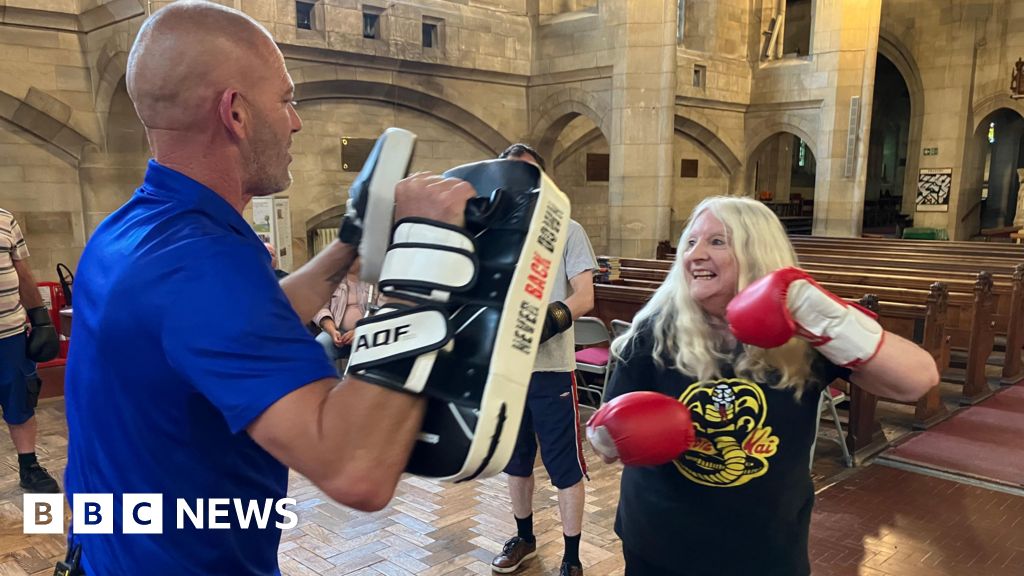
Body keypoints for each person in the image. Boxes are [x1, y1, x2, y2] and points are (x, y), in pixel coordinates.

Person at [63, 2, 476, 574]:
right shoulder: (204, 263)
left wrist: (354, 241)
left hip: (109, 552)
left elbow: (243, 321)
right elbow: (357, 470)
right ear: (235, 113)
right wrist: (427, 260)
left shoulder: (132, 228)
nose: (296, 121)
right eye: (286, 100)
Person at [601, 195, 939, 576]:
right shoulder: (657, 329)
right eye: (691, 242)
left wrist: (830, 321)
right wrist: (613, 436)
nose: (695, 254)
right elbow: (607, 431)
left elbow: (917, 382)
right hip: (659, 541)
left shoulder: (803, 334)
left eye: (717, 241)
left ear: (756, 252)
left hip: (764, 547)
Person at [491, 144, 596, 576]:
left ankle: (571, 558)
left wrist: (546, 321)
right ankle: (525, 538)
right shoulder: (493, 235)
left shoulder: (568, 230)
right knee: (515, 462)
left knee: (564, 466)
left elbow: (586, 296)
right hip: (505, 372)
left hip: (551, 368)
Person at [0, 207, 60, 493]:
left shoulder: (5, 219)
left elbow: (21, 272)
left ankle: (29, 466)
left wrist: (40, 317)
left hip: (10, 335)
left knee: (21, 401)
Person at [314, 257, 373, 369]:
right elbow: (320, 308)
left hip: (369, 331)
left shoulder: (374, 279)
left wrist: (359, 331)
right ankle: (329, 384)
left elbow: (382, 308)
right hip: (337, 332)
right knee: (318, 347)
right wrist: (332, 330)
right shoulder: (331, 278)